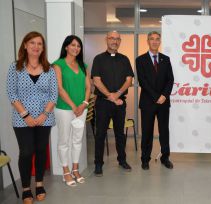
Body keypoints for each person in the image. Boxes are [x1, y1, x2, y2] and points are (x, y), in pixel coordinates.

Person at [6, 31, 58, 204]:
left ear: (43, 48)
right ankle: (26, 188)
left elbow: (54, 95)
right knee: (26, 151)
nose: (36, 47)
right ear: (25, 45)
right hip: (22, 119)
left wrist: (44, 114)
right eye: (32, 43)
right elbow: (12, 94)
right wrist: (25, 115)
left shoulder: (49, 69)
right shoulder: (15, 67)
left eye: (40, 44)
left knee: (41, 150)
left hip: (45, 117)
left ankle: (40, 184)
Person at [91, 31, 134, 176]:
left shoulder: (124, 59)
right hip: (103, 103)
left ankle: (122, 160)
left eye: (117, 39)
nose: (114, 41)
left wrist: (117, 95)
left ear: (120, 41)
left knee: (120, 134)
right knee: (100, 134)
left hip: (120, 103)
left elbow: (129, 80)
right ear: (106, 40)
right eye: (111, 38)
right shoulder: (98, 59)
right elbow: (96, 80)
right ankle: (98, 164)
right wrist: (111, 96)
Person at [53, 35, 91, 186]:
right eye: (73, 45)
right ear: (66, 47)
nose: (76, 48)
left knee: (77, 140)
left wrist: (84, 104)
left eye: (78, 46)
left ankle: (75, 169)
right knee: (63, 141)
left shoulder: (83, 65)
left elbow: (89, 87)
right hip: (64, 109)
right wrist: (74, 107)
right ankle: (65, 171)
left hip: (82, 109)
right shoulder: (58, 64)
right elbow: (59, 88)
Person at [136, 31, 174, 170]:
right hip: (147, 102)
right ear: (147, 41)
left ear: (160, 41)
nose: (154, 41)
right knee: (147, 132)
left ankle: (165, 158)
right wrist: (156, 96)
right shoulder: (140, 60)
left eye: (157, 39)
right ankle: (145, 159)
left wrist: (164, 95)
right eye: (152, 39)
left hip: (164, 102)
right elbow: (143, 81)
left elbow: (170, 80)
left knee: (164, 131)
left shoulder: (166, 59)